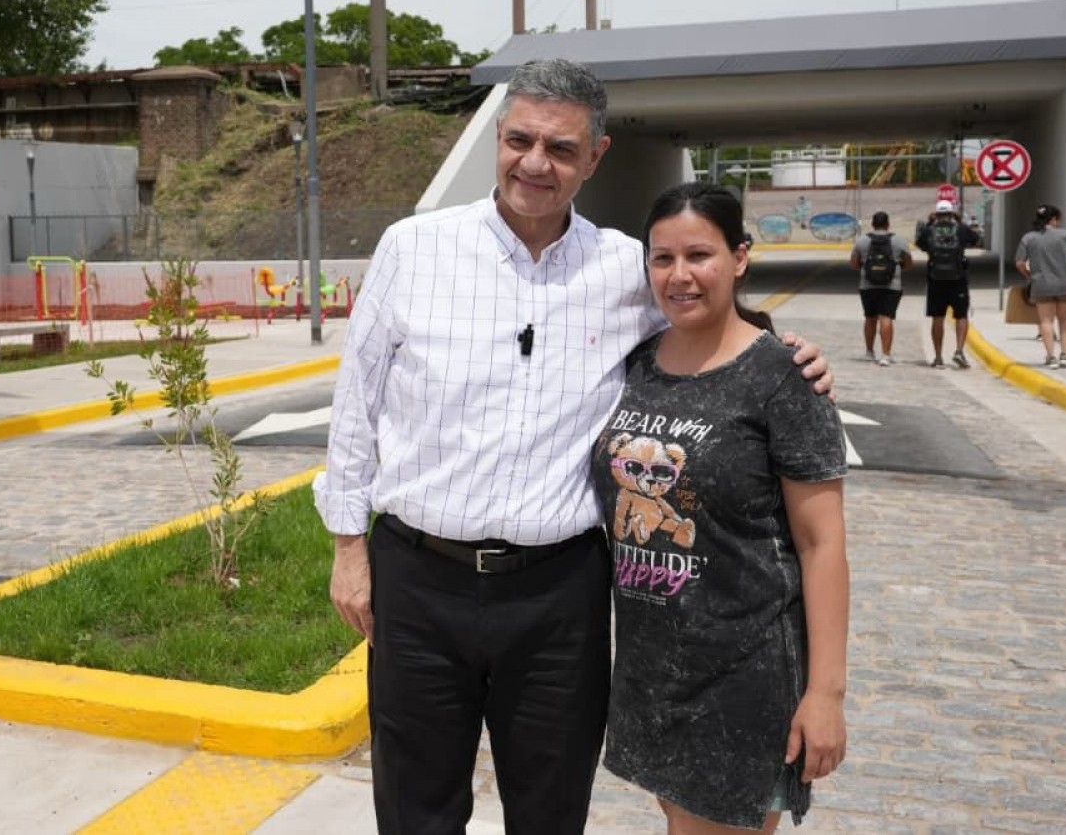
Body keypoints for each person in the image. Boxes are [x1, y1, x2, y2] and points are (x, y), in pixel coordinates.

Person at [315, 58, 832, 835]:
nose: (535, 163)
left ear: (596, 156)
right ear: (498, 139)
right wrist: (348, 547)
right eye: (520, 140)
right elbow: (356, 407)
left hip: (559, 596)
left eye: (560, 148)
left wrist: (785, 348)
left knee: (551, 812)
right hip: (418, 583)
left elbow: (708, 322)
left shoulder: (627, 268)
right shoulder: (411, 249)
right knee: (415, 807)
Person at [595, 182, 849, 833]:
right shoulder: (635, 365)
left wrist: (825, 694)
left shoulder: (783, 378)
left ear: (739, 258)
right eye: (662, 259)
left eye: (699, 255)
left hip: (745, 676)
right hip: (651, 670)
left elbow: (822, 546)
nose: (680, 276)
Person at [915, 199, 982, 369]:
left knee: (938, 318)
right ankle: (959, 350)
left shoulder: (929, 230)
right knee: (961, 316)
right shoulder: (960, 229)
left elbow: (920, 244)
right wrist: (960, 222)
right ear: (952, 213)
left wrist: (930, 223)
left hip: (936, 279)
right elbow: (976, 239)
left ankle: (938, 357)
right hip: (958, 279)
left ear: (936, 214)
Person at [1015, 204, 1066, 369]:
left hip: (1042, 284)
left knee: (1046, 321)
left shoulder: (1029, 238)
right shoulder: (1065, 235)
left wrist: (1029, 275)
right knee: (1065, 321)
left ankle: (1051, 356)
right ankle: (1065, 354)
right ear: (1053, 219)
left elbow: (1020, 263)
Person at [849, 210, 914, 366]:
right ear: (888, 224)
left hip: (867, 285)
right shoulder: (899, 241)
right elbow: (909, 263)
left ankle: (869, 352)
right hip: (891, 286)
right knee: (886, 318)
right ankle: (885, 355)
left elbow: (853, 264)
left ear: (872, 224)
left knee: (870, 318)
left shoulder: (862, 241)